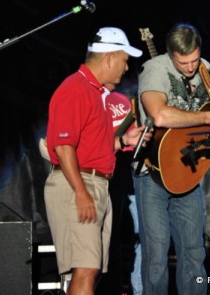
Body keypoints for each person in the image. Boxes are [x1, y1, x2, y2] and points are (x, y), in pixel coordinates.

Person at [133, 22, 210, 295]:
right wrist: (207, 117)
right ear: (170, 54)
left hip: (188, 173)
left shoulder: (206, 69)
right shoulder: (155, 68)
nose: (191, 67)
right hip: (153, 175)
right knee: (156, 255)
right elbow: (159, 115)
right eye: (184, 63)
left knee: (194, 253)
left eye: (194, 59)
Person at [44, 26, 149, 295]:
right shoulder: (75, 88)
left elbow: (90, 146)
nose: (126, 69)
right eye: (125, 61)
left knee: (92, 271)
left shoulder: (96, 94)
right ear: (110, 58)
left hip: (95, 184)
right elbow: (63, 145)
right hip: (79, 184)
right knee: (86, 270)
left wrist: (124, 141)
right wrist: (81, 192)